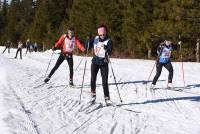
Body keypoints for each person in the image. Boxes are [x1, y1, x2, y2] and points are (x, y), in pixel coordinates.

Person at [89, 24, 113, 105]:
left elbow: (110, 51)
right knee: (93, 79)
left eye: (104, 34)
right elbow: (87, 46)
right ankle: (93, 94)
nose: (102, 36)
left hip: (104, 62)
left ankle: (107, 98)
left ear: (106, 33)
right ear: (98, 34)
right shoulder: (95, 38)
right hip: (95, 61)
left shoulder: (109, 41)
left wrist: (107, 49)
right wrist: (88, 40)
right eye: (101, 34)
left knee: (104, 81)